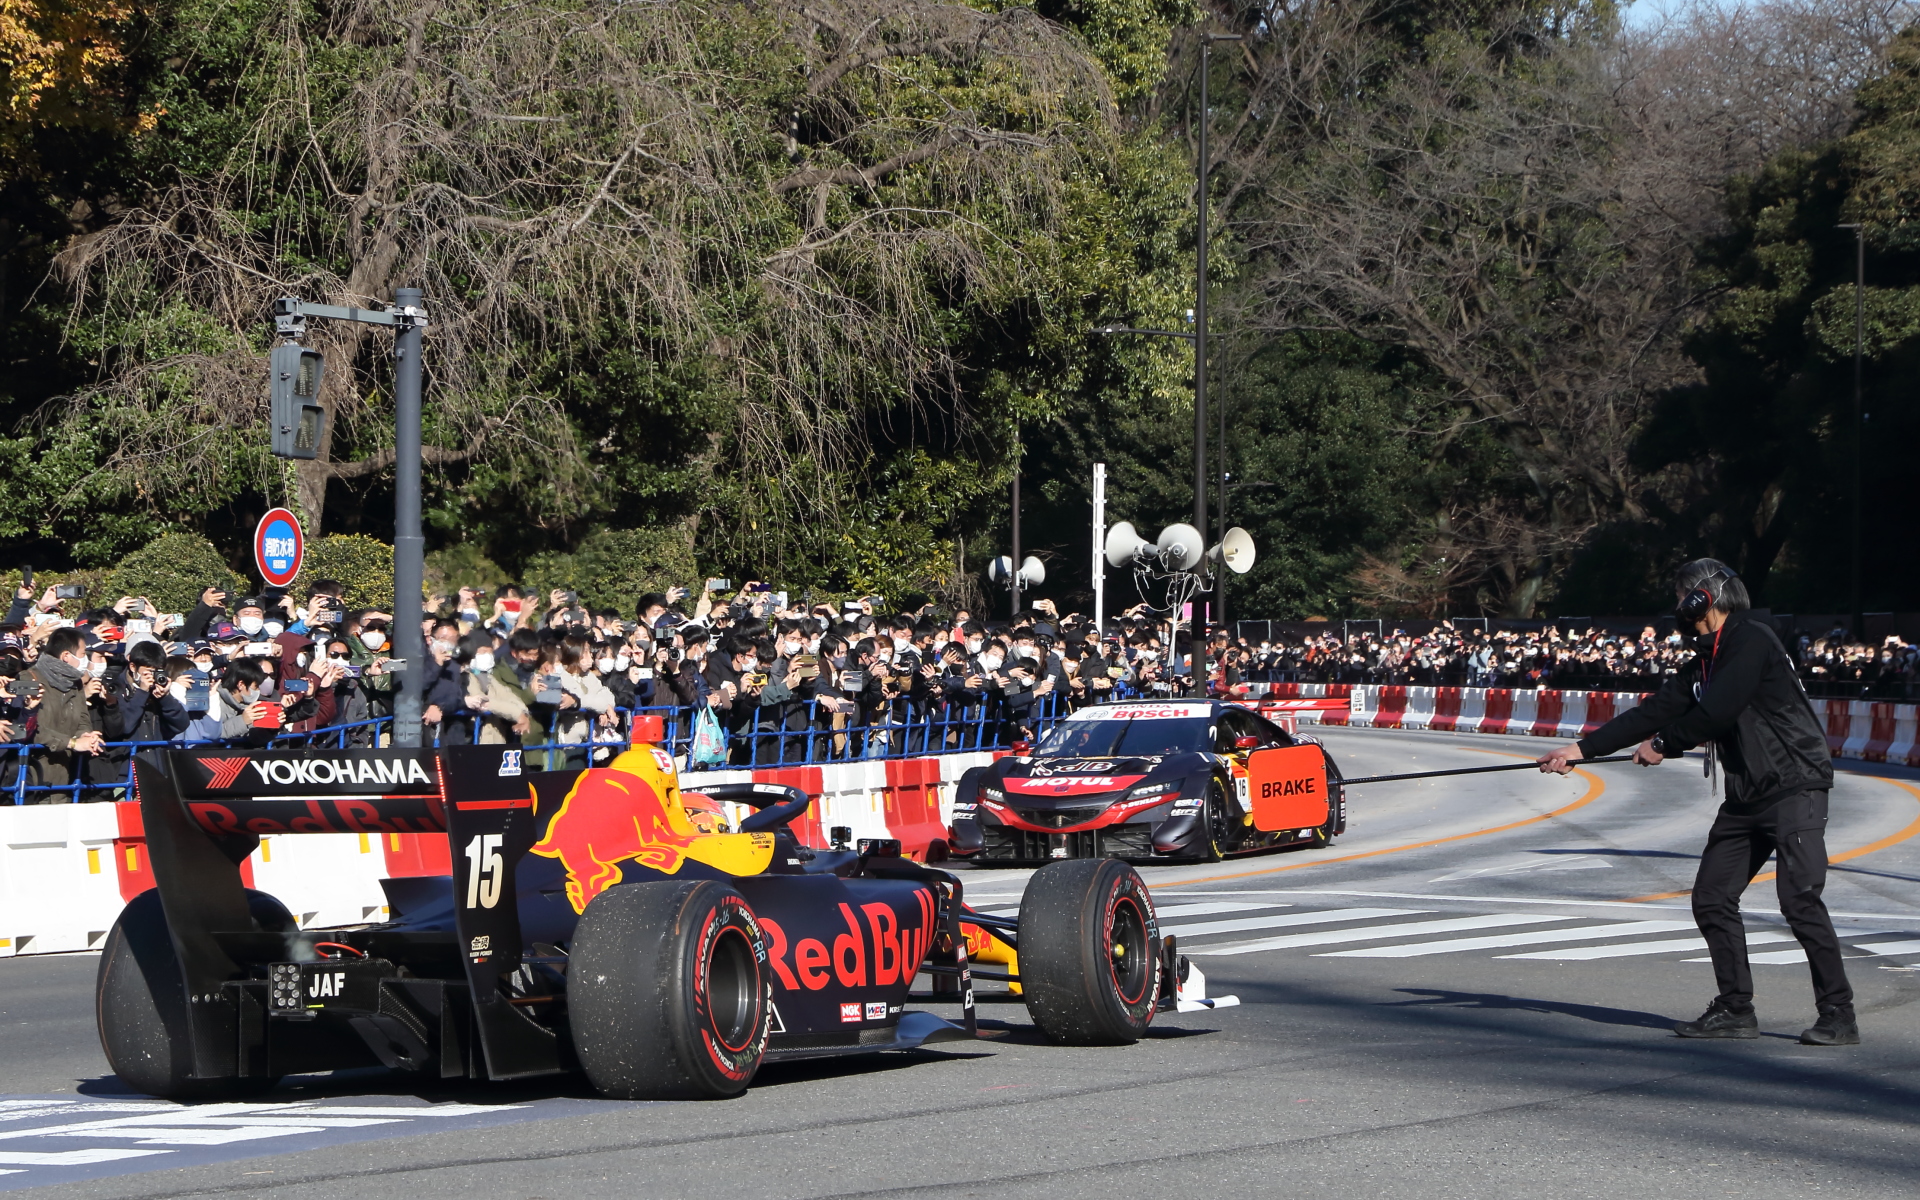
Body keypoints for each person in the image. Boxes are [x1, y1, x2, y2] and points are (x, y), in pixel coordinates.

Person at [1537, 559, 1852, 1046]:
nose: (1678, 606)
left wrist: (1665, 744)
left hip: (1794, 785)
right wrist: (1580, 750)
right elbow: (1654, 711)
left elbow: (1718, 710)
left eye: (1682, 595)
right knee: (1711, 898)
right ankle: (1735, 1009)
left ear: (1702, 597)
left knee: (1799, 901)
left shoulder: (1751, 638)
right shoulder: (1706, 660)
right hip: (1746, 795)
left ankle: (1838, 1013)